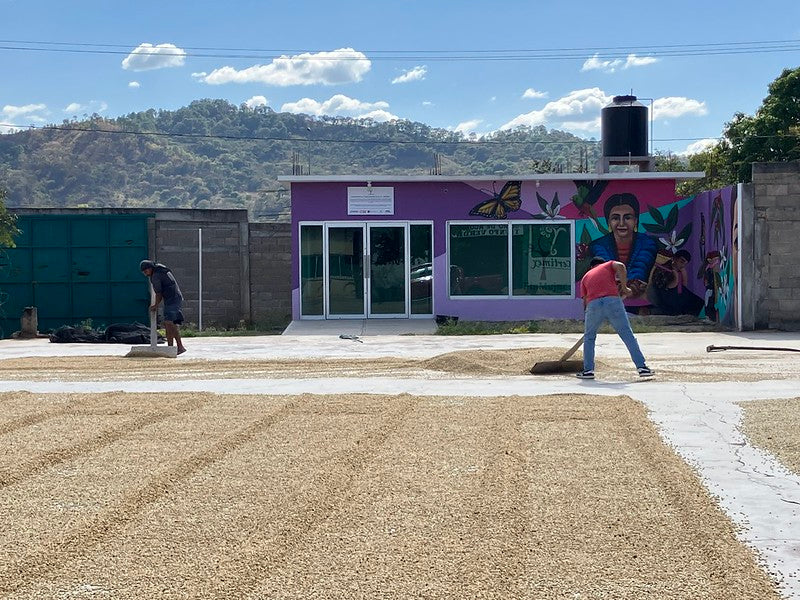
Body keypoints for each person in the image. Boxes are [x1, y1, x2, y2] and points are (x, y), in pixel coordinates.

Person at [576, 256, 653, 379]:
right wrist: (624, 287)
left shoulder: (586, 277)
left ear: (591, 267)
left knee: (589, 338)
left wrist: (588, 319)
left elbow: (585, 301)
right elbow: (621, 266)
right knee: (627, 334)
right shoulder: (608, 265)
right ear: (602, 263)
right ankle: (642, 368)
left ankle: (588, 371)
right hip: (612, 301)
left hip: (593, 305)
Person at [589, 193, 658, 313]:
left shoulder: (648, 243)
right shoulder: (598, 245)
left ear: (635, 221)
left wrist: (629, 288)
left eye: (627, 217)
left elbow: (641, 267)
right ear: (608, 222)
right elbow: (607, 268)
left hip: (640, 303)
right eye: (615, 218)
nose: (621, 223)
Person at [140, 259, 186, 355]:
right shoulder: (160, 269)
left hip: (172, 299)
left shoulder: (155, 276)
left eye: (145, 271)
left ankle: (178, 347)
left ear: (150, 268)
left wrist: (155, 305)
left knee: (169, 322)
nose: (145, 274)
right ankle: (172, 347)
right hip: (174, 297)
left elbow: (159, 294)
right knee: (169, 323)